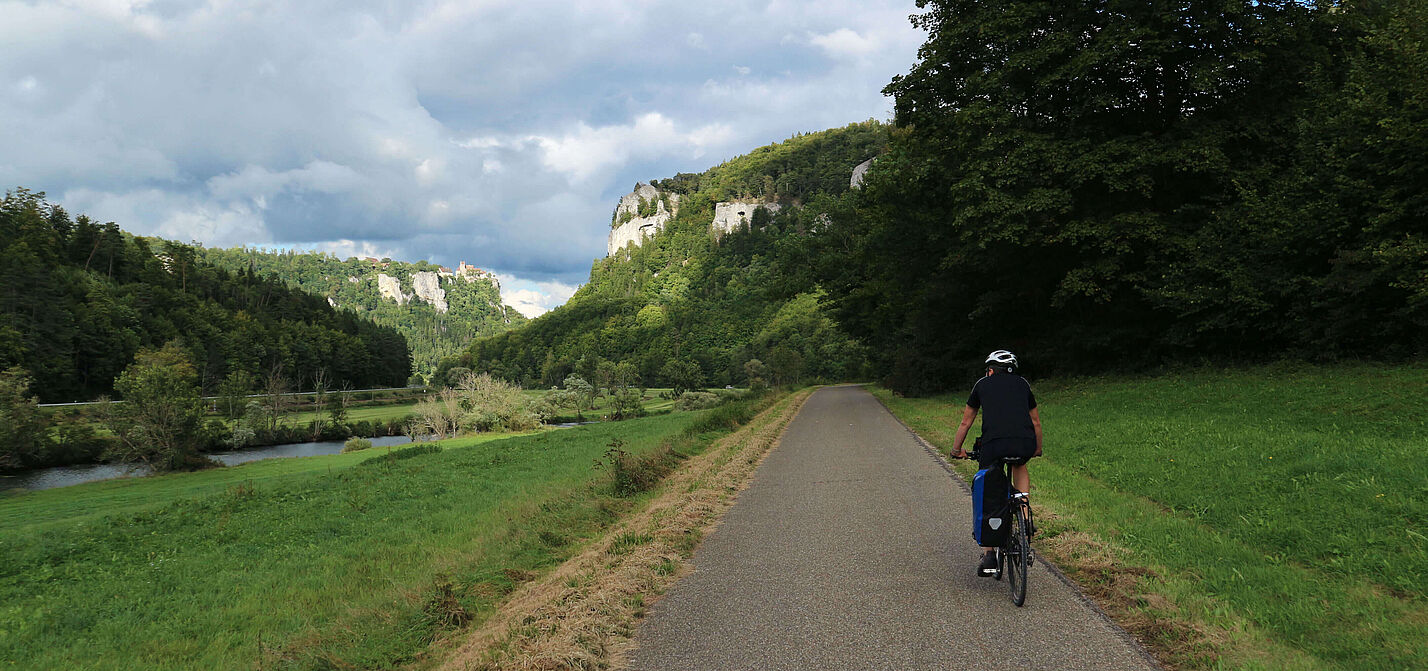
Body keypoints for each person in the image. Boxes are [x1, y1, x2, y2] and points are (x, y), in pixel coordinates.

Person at [952, 350, 1043, 576]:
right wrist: (1037, 448)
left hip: (993, 444)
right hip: (1023, 442)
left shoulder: (982, 384)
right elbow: (1035, 421)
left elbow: (966, 422)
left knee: (989, 484)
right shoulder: (1023, 384)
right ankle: (1023, 514)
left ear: (991, 370)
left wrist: (956, 450)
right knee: (1019, 466)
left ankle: (989, 555)